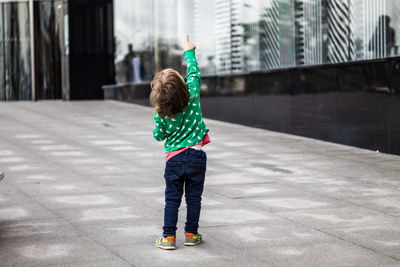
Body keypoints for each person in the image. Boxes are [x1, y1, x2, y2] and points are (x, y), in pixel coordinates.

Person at [150, 35, 210, 250]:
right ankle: (191, 234)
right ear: (182, 86)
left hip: (174, 159)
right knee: (194, 199)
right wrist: (189, 51)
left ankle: (168, 238)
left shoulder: (161, 112)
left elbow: (158, 136)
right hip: (196, 156)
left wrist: (160, 121)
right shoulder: (192, 94)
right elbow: (194, 72)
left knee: (172, 199)